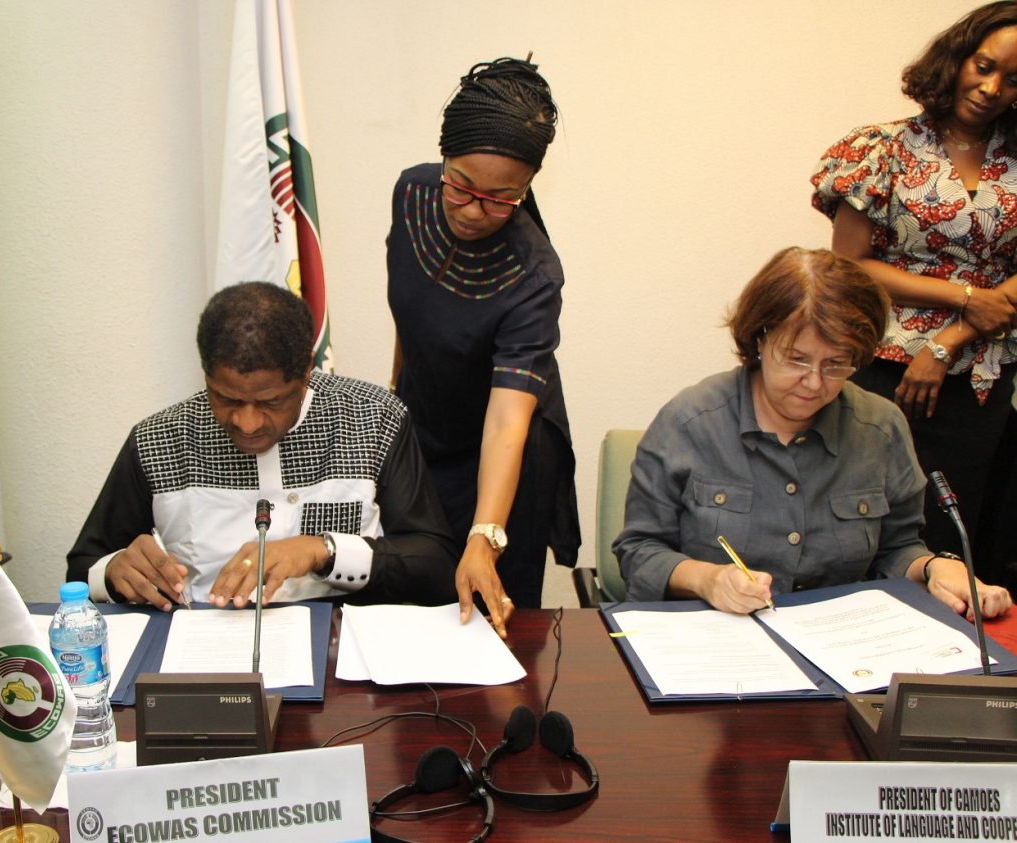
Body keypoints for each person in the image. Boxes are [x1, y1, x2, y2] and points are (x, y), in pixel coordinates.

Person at [613, 247, 1012, 620]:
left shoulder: (879, 427)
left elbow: (896, 549)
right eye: (796, 359)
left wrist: (934, 567)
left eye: (837, 364)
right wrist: (708, 580)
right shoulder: (690, 421)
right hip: (714, 641)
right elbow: (639, 552)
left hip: (838, 646)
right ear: (758, 339)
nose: (814, 383)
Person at [67, 282, 458, 610]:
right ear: (206, 375)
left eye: (271, 402)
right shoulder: (159, 439)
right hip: (203, 659)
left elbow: (435, 565)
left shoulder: (374, 419)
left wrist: (324, 550)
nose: (247, 423)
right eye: (226, 399)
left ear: (306, 373)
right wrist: (115, 570)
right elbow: (82, 569)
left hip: (343, 661)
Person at [811, 2, 1017, 585]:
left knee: (953, 532)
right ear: (956, 58)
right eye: (983, 65)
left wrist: (953, 337)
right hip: (880, 363)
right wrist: (963, 295)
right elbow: (849, 263)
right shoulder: (880, 148)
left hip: (980, 374)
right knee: (862, 522)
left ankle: (944, 669)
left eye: (1014, 79)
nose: (992, 87)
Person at [386, 56, 580, 633]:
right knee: (409, 591)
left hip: (505, 452)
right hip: (427, 423)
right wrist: (393, 412)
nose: (475, 210)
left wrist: (484, 534)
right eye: (463, 185)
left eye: (502, 198)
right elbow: (411, 314)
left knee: (489, 617)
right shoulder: (413, 194)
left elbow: (506, 423)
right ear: (444, 159)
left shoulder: (534, 275)